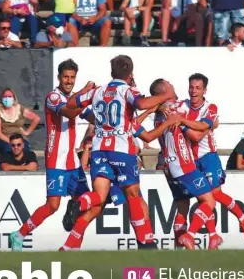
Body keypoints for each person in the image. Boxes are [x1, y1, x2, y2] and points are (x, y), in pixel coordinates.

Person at [63, 55, 176, 249]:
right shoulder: (127, 92)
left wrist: (85, 91)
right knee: (133, 196)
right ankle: (145, 242)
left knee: (99, 196)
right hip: (121, 149)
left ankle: (79, 205)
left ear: (111, 72)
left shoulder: (98, 91)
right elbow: (141, 104)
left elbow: (71, 104)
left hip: (99, 150)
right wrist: (167, 95)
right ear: (130, 74)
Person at [9, 59, 95, 252]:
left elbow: (90, 116)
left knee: (86, 203)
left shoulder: (75, 97)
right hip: (56, 159)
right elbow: (68, 112)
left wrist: (100, 106)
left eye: (72, 77)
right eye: (66, 77)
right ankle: (19, 234)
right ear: (59, 77)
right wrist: (85, 93)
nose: (69, 81)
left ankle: (73, 246)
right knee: (52, 205)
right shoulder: (53, 97)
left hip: (72, 160)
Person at [180, 73, 244, 247]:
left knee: (215, 194)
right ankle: (213, 235)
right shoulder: (183, 106)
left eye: (198, 88)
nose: (193, 91)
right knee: (204, 200)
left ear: (205, 90)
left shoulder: (210, 107)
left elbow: (198, 134)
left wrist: (183, 122)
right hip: (191, 159)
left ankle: (243, 218)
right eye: (191, 87)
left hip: (208, 157)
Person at [149, 78, 219, 250]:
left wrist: (159, 105)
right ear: (165, 90)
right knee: (209, 201)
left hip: (168, 166)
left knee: (182, 207)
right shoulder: (176, 109)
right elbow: (196, 135)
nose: (175, 86)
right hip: (183, 164)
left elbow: (151, 104)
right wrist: (210, 125)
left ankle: (181, 253)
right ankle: (190, 235)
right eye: (170, 85)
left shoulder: (160, 112)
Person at [0, 87, 40, 156]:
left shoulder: (19, 108)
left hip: (19, 138)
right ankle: (7, 165)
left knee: (25, 151)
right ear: (1, 98)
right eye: (5, 96)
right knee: (8, 150)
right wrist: (12, 143)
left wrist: (27, 132)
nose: (7, 98)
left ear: (14, 98)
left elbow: (36, 118)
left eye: (9, 96)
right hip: (3, 139)